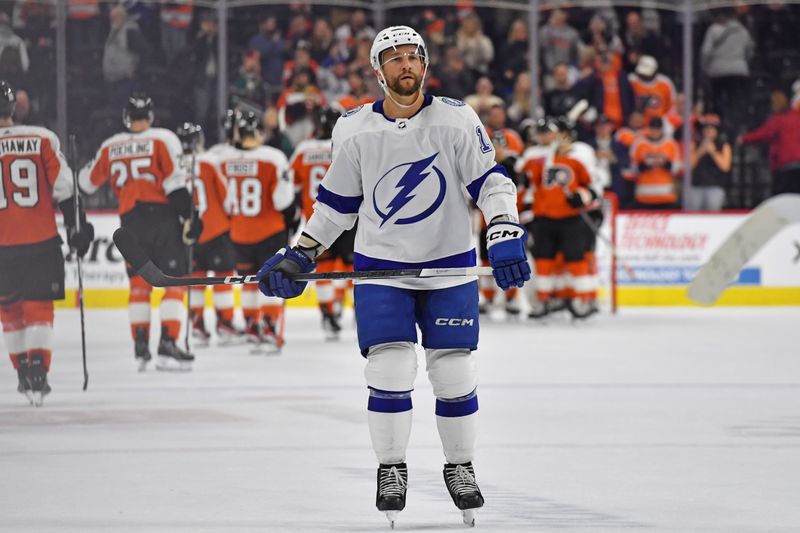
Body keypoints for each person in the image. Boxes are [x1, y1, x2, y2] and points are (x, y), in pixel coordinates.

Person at [255, 26, 529, 527]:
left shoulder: (455, 118)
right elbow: (336, 205)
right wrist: (302, 253)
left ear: (425, 65)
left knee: (454, 373)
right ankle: (391, 468)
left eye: (413, 57)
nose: (406, 65)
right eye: (395, 58)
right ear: (378, 71)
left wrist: (505, 227)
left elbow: (491, 181)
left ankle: (461, 467)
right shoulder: (354, 128)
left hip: (449, 266)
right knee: (390, 368)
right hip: (381, 269)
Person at [79, 93, 200, 371]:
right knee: (174, 280)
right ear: (151, 115)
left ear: (126, 116)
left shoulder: (111, 146)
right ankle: (168, 344)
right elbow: (175, 186)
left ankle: (140, 347)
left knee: (138, 285)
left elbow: (84, 184)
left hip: (131, 223)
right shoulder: (162, 138)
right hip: (163, 220)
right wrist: (190, 216)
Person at [0, 81, 94, 406]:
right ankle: (39, 373)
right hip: (40, 240)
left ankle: (23, 372)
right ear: (13, 107)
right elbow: (66, 187)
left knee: (9, 311)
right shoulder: (41, 138)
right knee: (39, 308)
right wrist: (76, 226)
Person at [216, 110, 295, 352]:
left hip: (239, 232)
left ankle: (251, 326)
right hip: (269, 231)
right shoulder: (273, 158)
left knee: (249, 280)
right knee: (273, 280)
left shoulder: (222, 158)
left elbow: (223, 200)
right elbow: (283, 201)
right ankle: (269, 329)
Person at [516, 117, 597, 319]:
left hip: (571, 219)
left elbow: (591, 187)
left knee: (575, 260)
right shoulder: (540, 160)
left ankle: (584, 300)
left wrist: (581, 197)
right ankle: (544, 301)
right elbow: (529, 185)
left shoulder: (577, 159)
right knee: (544, 261)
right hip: (544, 218)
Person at [288, 107, 354, 340]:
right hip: (347, 219)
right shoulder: (347, 145)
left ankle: (327, 313)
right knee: (351, 267)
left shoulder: (303, 150)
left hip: (316, 221)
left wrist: (295, 214)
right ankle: (346, 306)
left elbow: (291, 185)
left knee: (324, 268)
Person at [175, 123, 241, 345]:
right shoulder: (210, 161)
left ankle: (197, 324)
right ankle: (224, 322)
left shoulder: (173, 165)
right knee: (223, 276)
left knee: (196, 279)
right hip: (215, 229)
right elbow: (227, 196)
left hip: (187, 234)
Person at [628, 117, 681, 209]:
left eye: (657, 129)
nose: (655, 131)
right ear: (649, 128)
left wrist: (664, 163)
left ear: (661, 129)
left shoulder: (671, 144)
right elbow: (633, 169)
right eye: (653, 128)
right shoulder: (639, 144)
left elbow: (676, 169)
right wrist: (646, 164)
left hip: (666, 195)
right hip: (644, 196)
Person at [689, 114, 731, 211]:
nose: (708, 130)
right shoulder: (694, 144)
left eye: (712, 128)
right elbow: (688, 166)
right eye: (705, 128)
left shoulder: (723, 145)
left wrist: (713, 151)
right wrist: (700, 151)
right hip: (696, 186)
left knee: (713, 216)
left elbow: (725, 167)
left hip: (715, 187)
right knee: (693, 217)